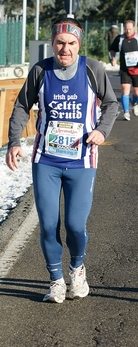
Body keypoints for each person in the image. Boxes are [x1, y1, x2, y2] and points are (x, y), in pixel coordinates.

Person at [5, 16, 118, 304]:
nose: (64, 48)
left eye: (71, 43)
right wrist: (15, 142)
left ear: (79, 44)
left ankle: (77, 267)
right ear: (52, 43)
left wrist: (102, 131)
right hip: (47, 161)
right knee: (47, 224)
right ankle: (55, 279)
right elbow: (21, 106)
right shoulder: (41, 70)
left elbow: (111, 103)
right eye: (59, 43)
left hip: (82, 161)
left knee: (75, 225)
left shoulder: (92, 69)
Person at [110, 20, 138, 121]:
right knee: (125, 90)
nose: (128, 31)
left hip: (137, 69)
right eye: (126, 29)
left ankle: (134, 103)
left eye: (130, 29)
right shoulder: (120, 38)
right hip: (125, 69)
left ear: (134, 28)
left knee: (137, 93)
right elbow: (112, 49)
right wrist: (113, 58)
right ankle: (126, 112)